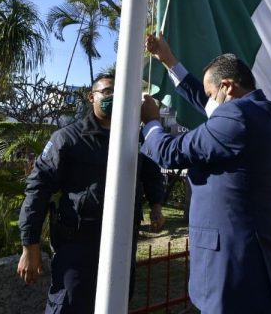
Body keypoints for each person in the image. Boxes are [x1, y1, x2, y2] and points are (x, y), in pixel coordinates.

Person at [140, 34, 271, 313]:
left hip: (236, 269)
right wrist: (169, 61)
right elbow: (209, 103)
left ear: (227, 86)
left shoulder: (236, 119)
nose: (208, 101)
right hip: (262, 261)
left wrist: (151, 121)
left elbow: (170, 152)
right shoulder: (261, 112)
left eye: (211, 94)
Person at [17, 73, 165, 313]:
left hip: (123, 241)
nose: (114, 97)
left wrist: (156, 204)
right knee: (70, 304)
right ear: (91, 97)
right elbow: (38, 189)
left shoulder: (132, 138)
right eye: (107, 92)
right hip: (78, 244)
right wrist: (29, 244)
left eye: (118, 92)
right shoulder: (67, 138)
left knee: (116, 303)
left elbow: (151, 172)